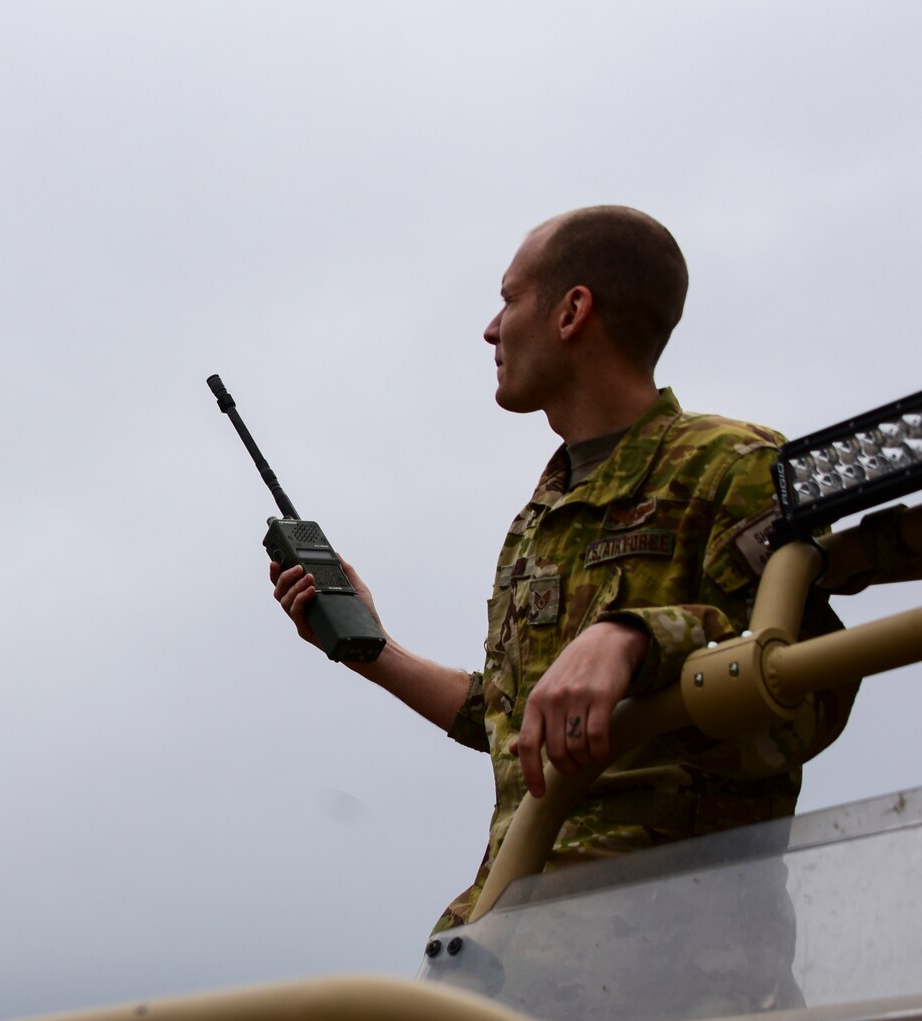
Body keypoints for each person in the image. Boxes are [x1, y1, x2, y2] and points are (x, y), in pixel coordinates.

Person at [270, 206, 852, 934]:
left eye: (510, 298)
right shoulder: (539, 519)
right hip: (511, 947)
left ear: (573, 310)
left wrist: (635, 640)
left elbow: (808, 686)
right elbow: (518, 723)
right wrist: (372, 649)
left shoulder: (733, 468)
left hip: (678, 972)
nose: (491, 328)